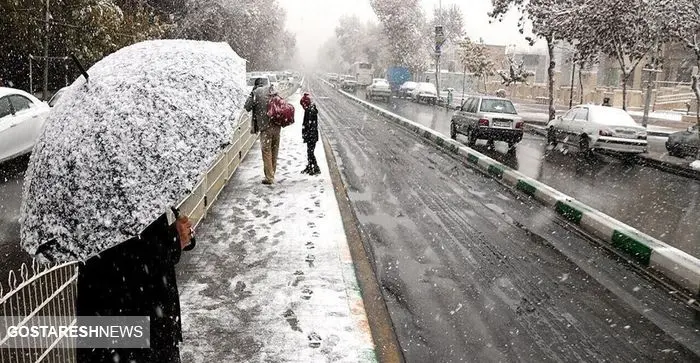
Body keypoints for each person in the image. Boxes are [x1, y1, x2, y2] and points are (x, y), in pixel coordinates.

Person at [76, 213, 193, 363]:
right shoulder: (127, 206)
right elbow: (141, 257)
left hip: (104, 317)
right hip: (139, 317)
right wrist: (174, 241)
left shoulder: (90, 209)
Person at [245, 78, 280, 185]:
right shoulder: (272, 90)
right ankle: (272, 173)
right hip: (277, 126)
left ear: (256, 85)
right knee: (274, 151)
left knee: (266, 152)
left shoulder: (256, 93)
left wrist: (252, 93)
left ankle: (269, 177)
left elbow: (247, 107)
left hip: (265, 128)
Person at [300, 92, 320, 175]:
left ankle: (315, 167)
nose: (303, 107)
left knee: (310, 152)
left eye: (303, 105)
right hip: (311, 135)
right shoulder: (309, 109)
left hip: (311, 135)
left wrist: (307, 135)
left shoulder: (310, 111)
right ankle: (310, 166)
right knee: (309, 151)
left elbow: (309, 125)